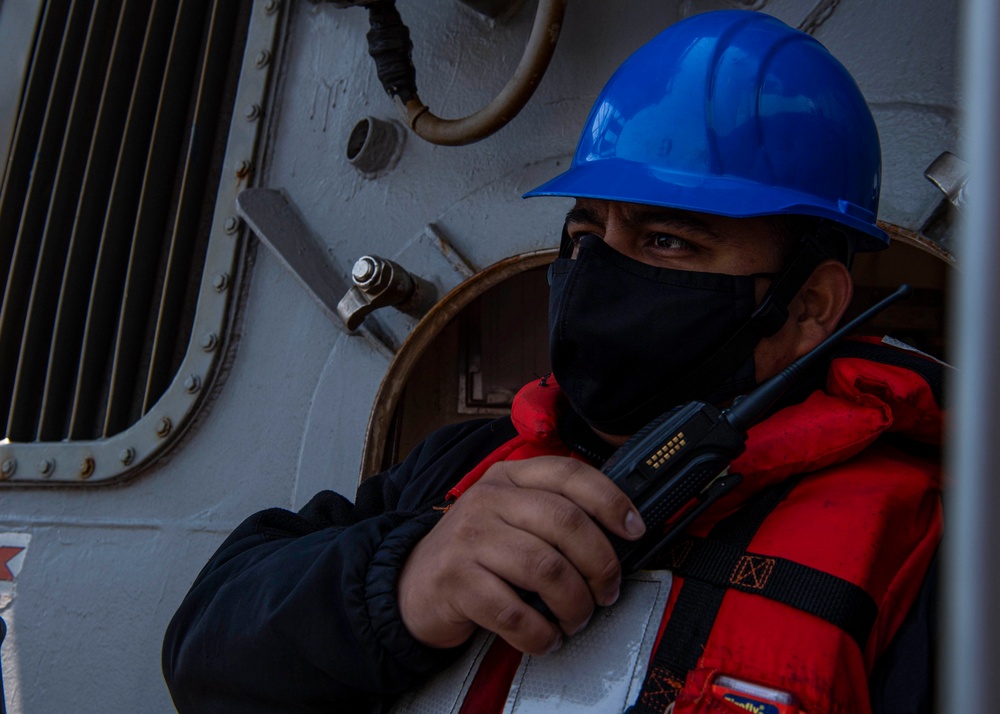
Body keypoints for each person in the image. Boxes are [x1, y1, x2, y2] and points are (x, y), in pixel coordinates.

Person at [163, 10, 944, 714]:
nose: (600, 272)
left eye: (667, 240)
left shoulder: (928, 547)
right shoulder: (465, 465)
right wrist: (402, 582)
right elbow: (206, 653)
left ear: (811, 307)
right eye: (585, 235)